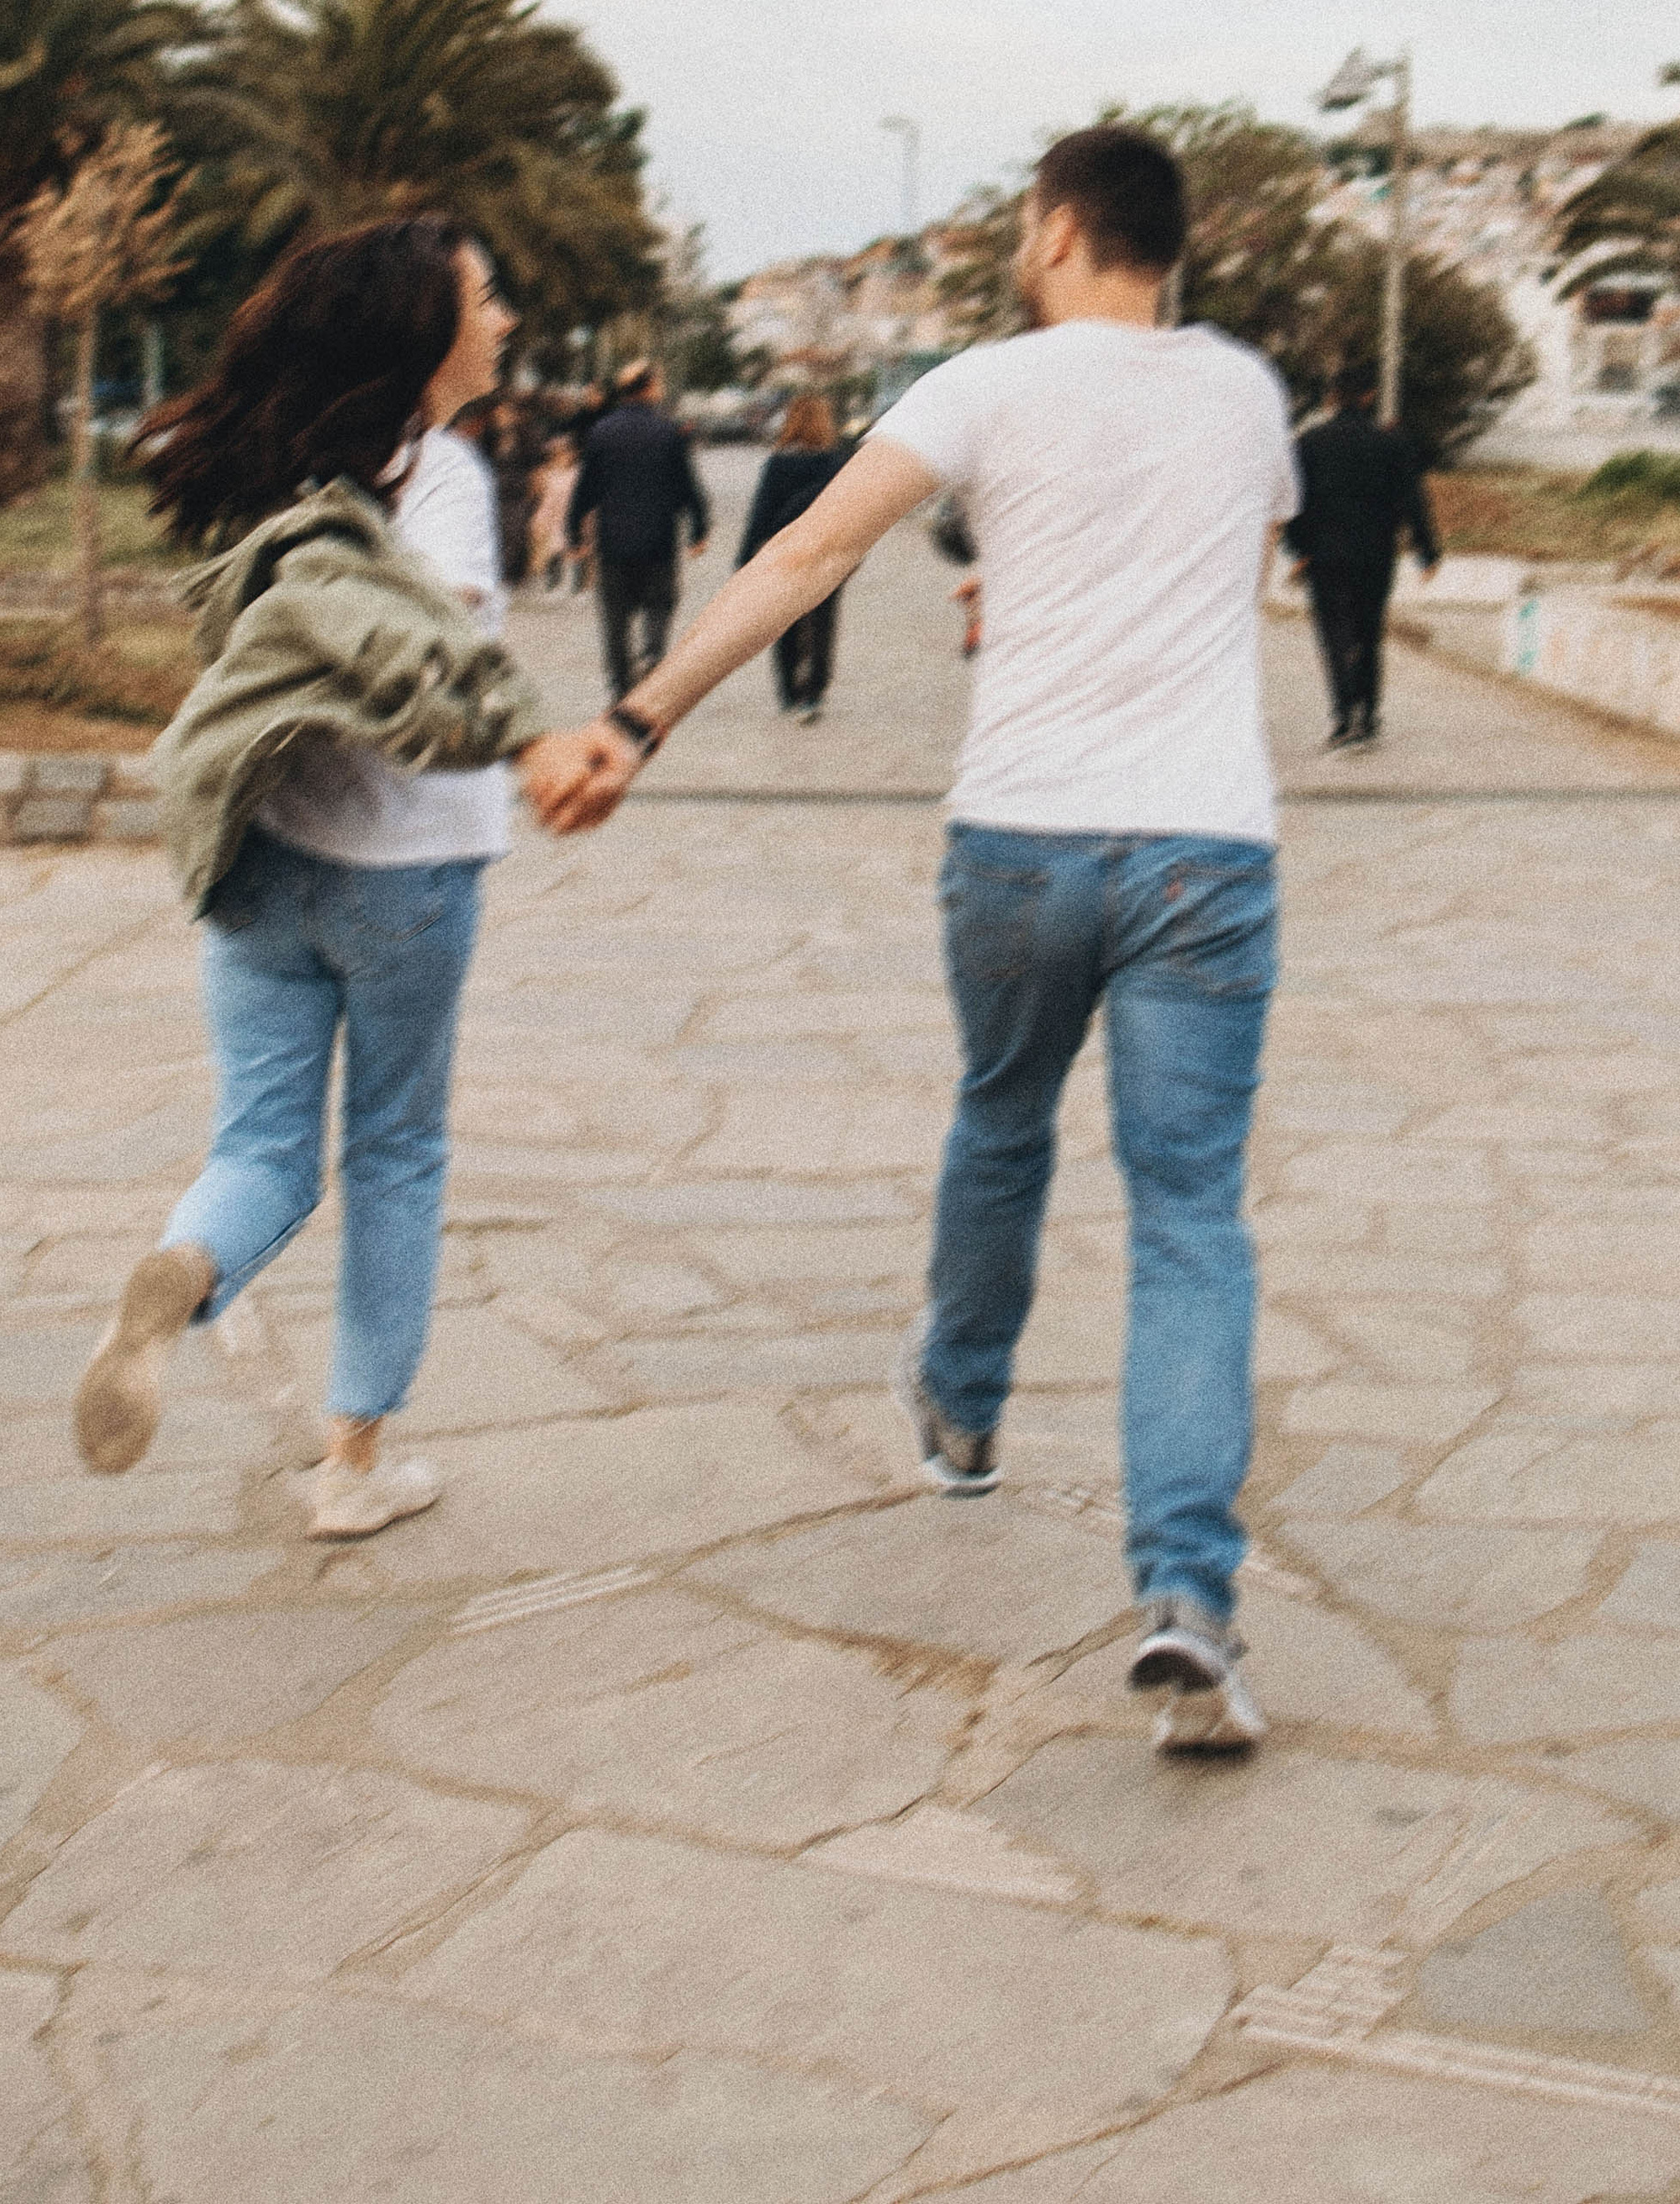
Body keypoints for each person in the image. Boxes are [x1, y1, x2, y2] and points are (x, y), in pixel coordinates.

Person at [532, 124, 1297, 1754]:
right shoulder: (1247, 391)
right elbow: (1233, 576)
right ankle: (1187, 1596)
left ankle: (960, 1396)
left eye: (1027, 222)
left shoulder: (986, 382)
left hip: (1021, 834)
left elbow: (810, 550)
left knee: (1003, 1117)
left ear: (1060, 230)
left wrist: (638, 716)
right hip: (1204, 846)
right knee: (1189, 1216)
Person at [72, 217, 573, 1540]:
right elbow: (424, 650)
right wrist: (531, 735)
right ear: (421, 330)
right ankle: (355, 1465)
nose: (505, 319)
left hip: (261, 864)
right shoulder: (437, 470)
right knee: (395, 1152)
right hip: (405, 875)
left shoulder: (266, 465)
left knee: (259, 1145)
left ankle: (189, 1269)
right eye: (485, 297)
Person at [1286, 361, 1440, 750]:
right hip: (1376, 555)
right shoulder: (1391, 443)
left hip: (1325, 556)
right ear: (1370, 396)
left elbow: (1295, 501)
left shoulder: (1309, 442)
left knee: (1334, 635)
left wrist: (1298, 549)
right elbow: (1413, 500)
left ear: (1332, 397)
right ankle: (1368, 716)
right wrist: (1427, 552)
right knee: (1369, 633)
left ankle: (1343, 718)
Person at [568, 358, 710, 700]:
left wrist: (574, 533)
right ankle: (652, 656)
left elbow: (586, 489)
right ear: (650, 388)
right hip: (659, 539)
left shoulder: (601, 432)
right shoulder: (669, 431)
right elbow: (687, 486)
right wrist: (698, 530)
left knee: (615, 620)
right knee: (659, 606)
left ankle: (621, 689)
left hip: (613, 542)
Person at [738, 393, 851, 717]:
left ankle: (789, 690)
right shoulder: (836, 463)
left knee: (785, 620)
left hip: (786, 551)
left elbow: (761, 512)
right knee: (823, 620)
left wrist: (745, 558)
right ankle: (815, 689)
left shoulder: (778, 463)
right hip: (827, 550)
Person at [527, 430, 580, 598]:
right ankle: (545, 582)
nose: (562, 455)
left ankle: (566, 585)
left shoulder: (576, 473)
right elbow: (535, 495)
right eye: (557, 452)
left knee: (564, 548)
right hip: (546, 515)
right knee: (544, 551)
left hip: (566, 515)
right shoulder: (545, 473)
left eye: (565, 451)